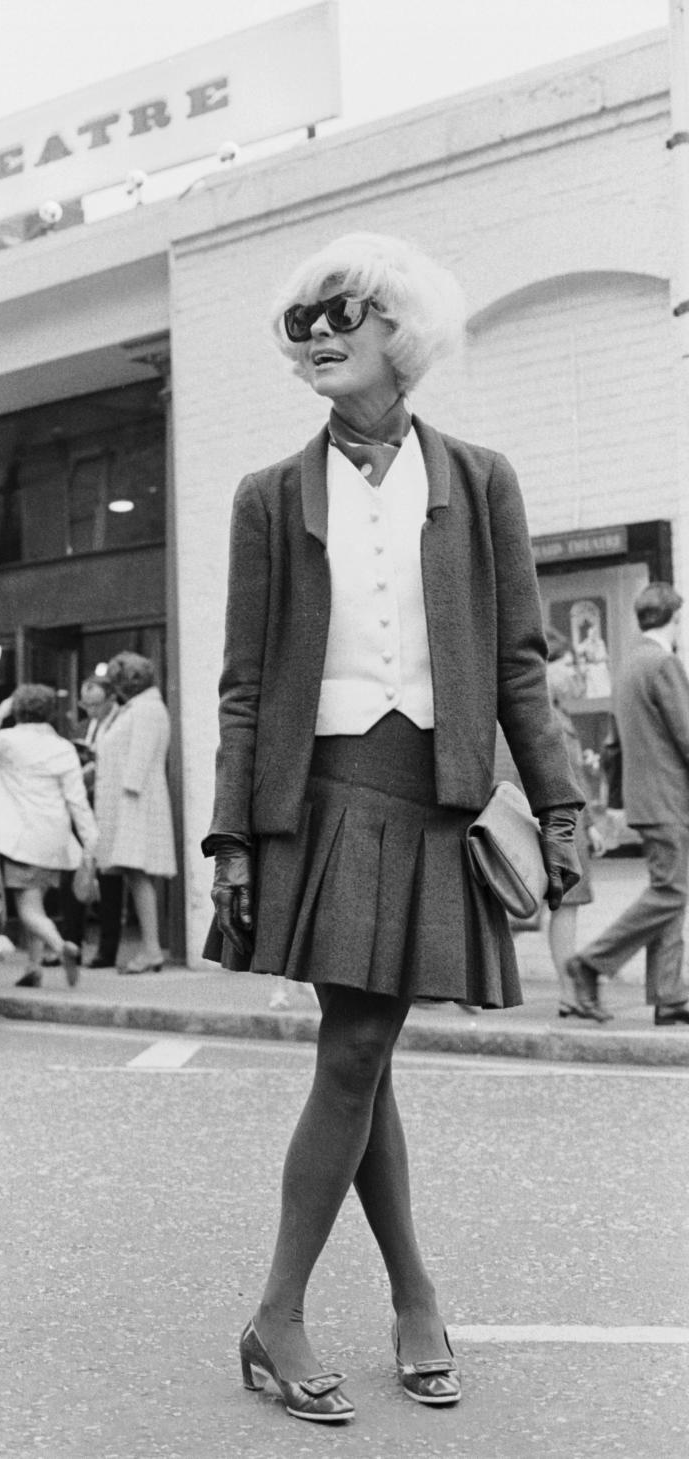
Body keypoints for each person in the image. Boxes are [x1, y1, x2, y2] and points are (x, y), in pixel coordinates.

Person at [203, 232, 582, 1424]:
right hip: (313, 798)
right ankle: (290, 1312)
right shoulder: (268, 497)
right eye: (299, 321)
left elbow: (519, 662)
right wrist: (228, 839)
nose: (315, 335)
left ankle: (400, 1293)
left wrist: (562, 800)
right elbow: (244, 682)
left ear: (400, 332)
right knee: (359, 1049)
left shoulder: (481, 480)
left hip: (433, 791)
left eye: (341, 314)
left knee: (359, 1054)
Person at [568, 582, 689, 1027]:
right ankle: (591, 962)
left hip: (646, 797)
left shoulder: (629, 663)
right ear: (674, 619)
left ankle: (670, 995)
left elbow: (613, 744)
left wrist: (617, 800)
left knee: (670, 891)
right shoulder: (664, 663)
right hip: (669, 798)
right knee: (671, 892)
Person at [0, 684, 97, 988]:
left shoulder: (9, 741)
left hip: (21, 837)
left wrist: (0, 711)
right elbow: (77, 800)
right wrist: (90, 841)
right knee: (36, 899)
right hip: (54, 837)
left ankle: (61, 945)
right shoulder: (63, 747)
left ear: (18, 710)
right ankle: (33, 967)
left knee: (28, 910)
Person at [94, 653, 176, 974]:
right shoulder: (141, 708)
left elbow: (138, 760)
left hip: (135, 803)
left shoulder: (146, 709)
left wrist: (125, 803)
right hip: (132, 801)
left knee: (138, 874)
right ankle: (150, 948)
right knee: (135, 875)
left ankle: (152, 949)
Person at [542, 632, 605, 1017]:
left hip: (572, 826)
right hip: (554, 826)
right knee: (555, 908)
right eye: (565, 665)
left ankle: (569, 995)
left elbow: (577, 774)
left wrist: (593, 823)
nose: (571, 673)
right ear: (545, 668)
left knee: (567, 908)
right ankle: (569, 993)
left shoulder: (560, 712)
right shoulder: (538, 715)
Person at [59, 676, 125, 969]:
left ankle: (106, 950)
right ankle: (71, 944)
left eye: (97, 704)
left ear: (111, 699)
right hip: (83, 806)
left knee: (110, 882)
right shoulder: (82, 727)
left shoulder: (123, 722)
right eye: (87, 705)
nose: (92, 711)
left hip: (110, 807)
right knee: (75, 874)